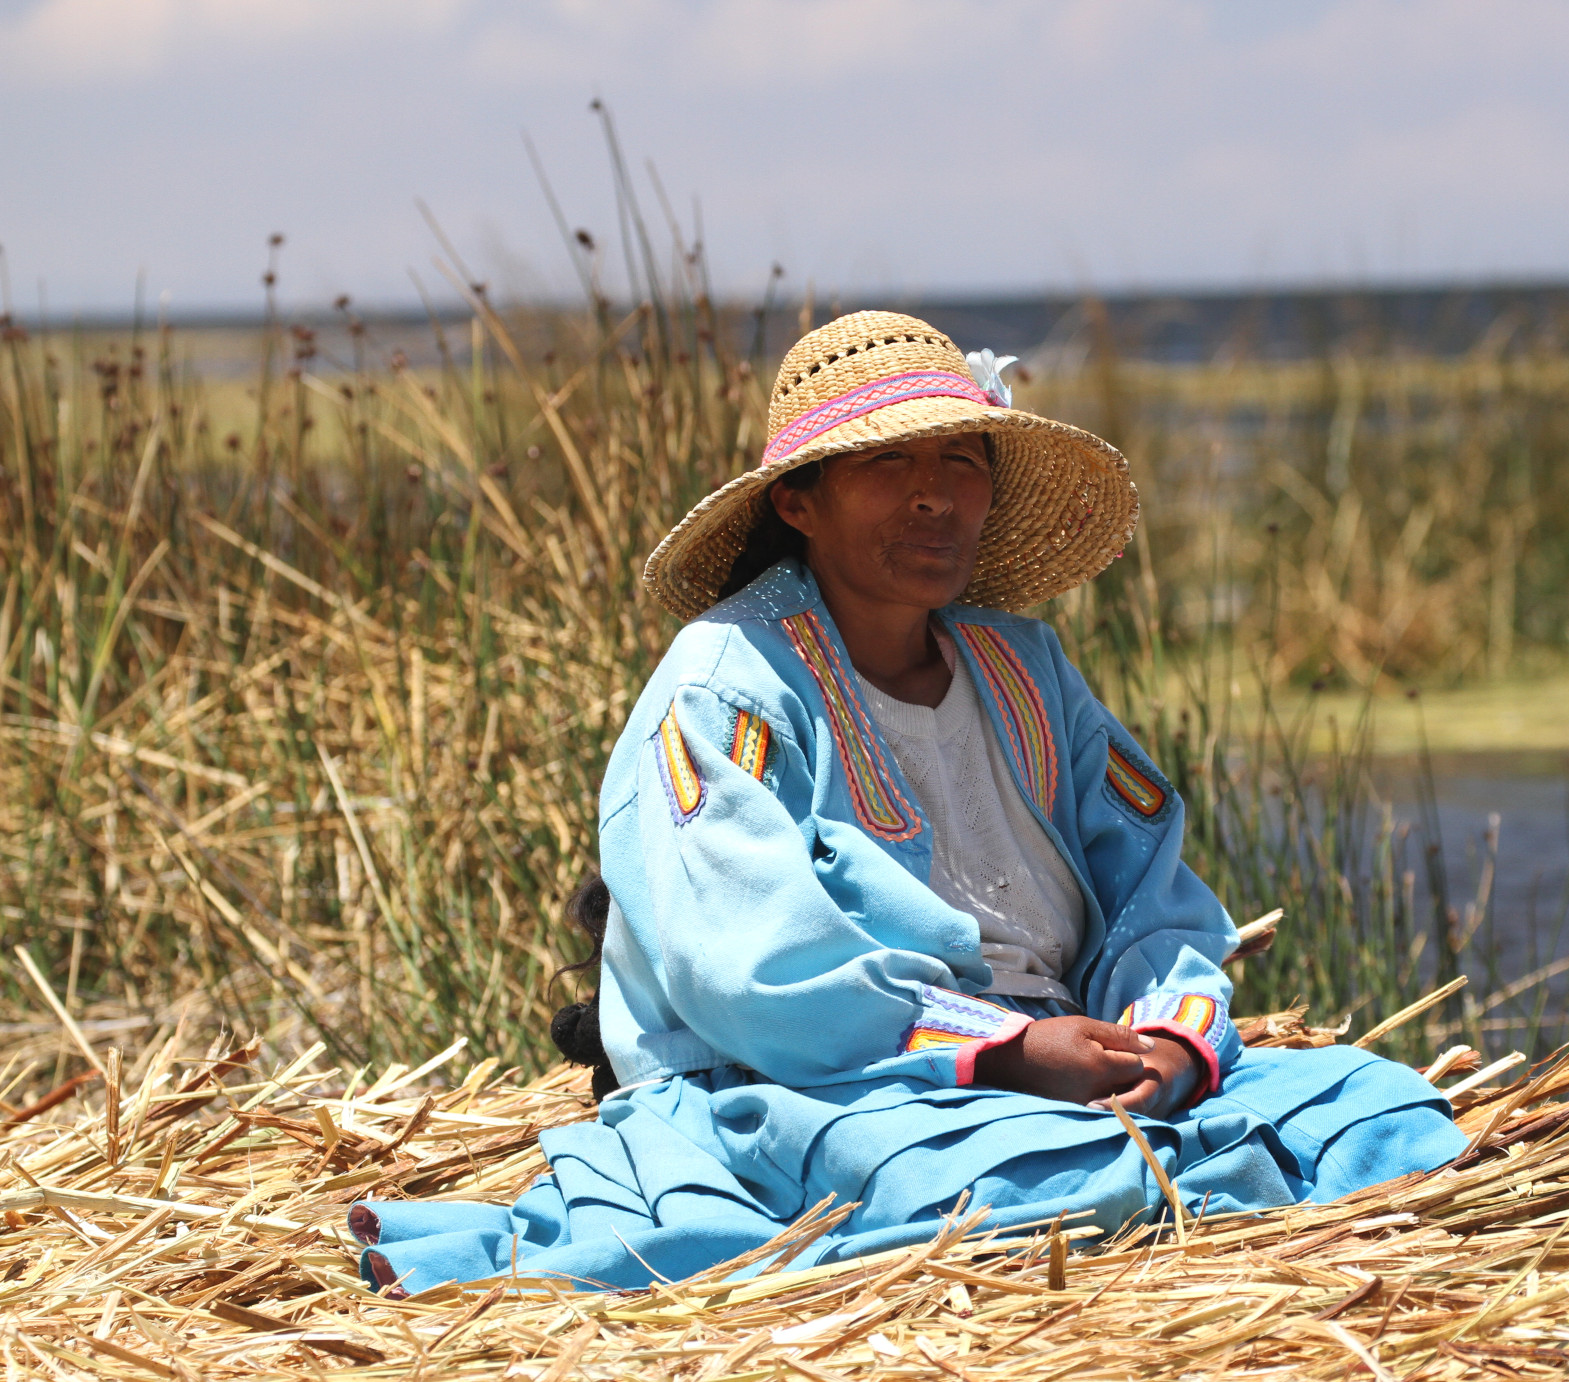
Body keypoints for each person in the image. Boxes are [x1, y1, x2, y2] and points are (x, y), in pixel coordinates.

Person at [347, 311, 1465, 1295]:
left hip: (1072, 1071)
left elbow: (1151, 891)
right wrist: (1007, 1049)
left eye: (960, 458)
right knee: (1058, 1182)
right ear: (799, 500)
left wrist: (1165, 1036)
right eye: (888, 462)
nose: (934, 493)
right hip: (820, 1083)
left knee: (1388, 1109)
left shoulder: (1026, 669)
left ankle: (1179, 1155)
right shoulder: (723, 685)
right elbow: (750, 968)